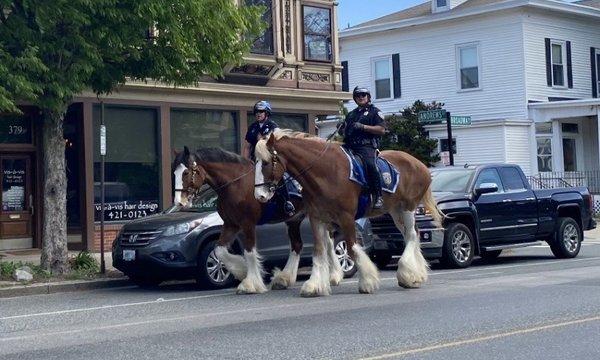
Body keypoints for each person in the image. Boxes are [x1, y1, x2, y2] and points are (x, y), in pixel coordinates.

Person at [243, 100, 296, 215]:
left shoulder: (273, 126)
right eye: (257, 112)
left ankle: (287, 203)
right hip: (255, 161)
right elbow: (247, 147)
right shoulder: (252, 127)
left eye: (261, 111)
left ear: (266, 113)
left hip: (270, 161)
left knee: (279, 177)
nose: (258, 114)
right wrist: (245, 162)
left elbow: (278, 143)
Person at [341, 86, 386, 209]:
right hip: (349, 146)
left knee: (371, 165)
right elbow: (345, 132)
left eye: (363, 95)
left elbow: (381, 130)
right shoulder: (351, 114)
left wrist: (363, 127)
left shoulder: (375, 112)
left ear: (368, 97)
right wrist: (341, 128)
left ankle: (378, 196)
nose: (361, 97)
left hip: (366, 146)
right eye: (358, 95)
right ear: (355, 98)